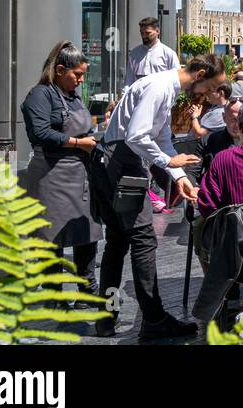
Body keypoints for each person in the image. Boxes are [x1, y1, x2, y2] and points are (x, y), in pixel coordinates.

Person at [92, 52, 226, 339]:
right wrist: (169, 163)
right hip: (122, 165)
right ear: (200, 74)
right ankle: (153, 320)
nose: (210, 95)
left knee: (117, 243)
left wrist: (179, 179)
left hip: (113, 162)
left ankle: (106, 317)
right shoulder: (159, 87)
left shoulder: (165, 88)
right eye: (211, 87)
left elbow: (161, 138)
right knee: (142, 241)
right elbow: (138, 137)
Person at [19, 41, 103, 304]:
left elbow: (83, 126)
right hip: (50, 175)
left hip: (80, 174)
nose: (80, 80)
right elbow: (42, 133)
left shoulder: (74, 96)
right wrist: (79, 143)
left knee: (86, 232)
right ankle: (55, 297)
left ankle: (87, 289)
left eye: (82, 75)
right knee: (51, 237)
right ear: (58, 70)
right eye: (76, 74)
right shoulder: (39, 95)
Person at [123, 16, 180, 90]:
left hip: (160, 97)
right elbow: (129, 80)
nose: (144, 36)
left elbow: (176, 79)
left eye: (147, 33)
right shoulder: (134, 53)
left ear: (157, 31)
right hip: (138, 98)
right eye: (142, 33)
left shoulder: (168, 54)